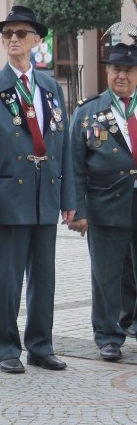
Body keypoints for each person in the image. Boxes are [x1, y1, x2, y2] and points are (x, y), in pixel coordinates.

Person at [0, 6, 75, 374]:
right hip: (7, 197)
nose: (14, 39)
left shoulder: (50, 87)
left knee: (44, 277)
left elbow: (63, 148)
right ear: (2, 41)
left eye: (21, 33)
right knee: (7, 279)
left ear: (36, 40)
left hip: (44, 194)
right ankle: (5, 347)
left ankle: (41, 345)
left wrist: (69, 198)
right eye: (8, 34)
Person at [69, 42, 137, 361]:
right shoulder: (88, 112)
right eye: (116, 69)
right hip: (106, 205)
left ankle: (132, 322)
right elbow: (74, 165)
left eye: (128, 70)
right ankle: (108, 336)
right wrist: (78, 210)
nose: (121, 75)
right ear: (107, 72)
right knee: (106, 275)